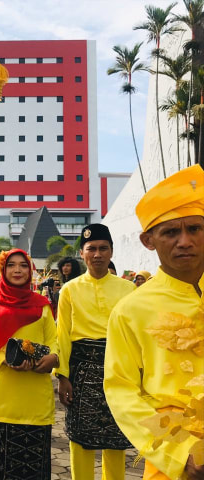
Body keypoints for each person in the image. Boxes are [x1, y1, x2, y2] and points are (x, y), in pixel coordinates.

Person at [104, 164, 204, 480]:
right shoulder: (131, 309)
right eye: (171, 232)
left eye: (195, 229)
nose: (185, 241)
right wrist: (178, 452)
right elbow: (121, 392)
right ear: (148, 241)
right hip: (177, 455)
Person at [54, 224, 136, 480]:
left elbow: (134, 337)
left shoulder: (128, 289)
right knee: (80, 438)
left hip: (118, 368)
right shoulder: (70, 289)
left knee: (116, 436)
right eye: (92, 249)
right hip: (81, 368)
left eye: (103, 248)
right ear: (82, 252)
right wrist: (62, 375)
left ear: (111, 252)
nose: (98, 254)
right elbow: (63, 334)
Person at [0, 249, 59, 480]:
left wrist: (53, 358)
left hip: (36, 392)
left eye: (23, 265)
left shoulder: (42, 304)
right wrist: (4, 359)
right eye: (11, 265)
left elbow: (53, 339)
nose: (17, 270)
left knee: (36, 463)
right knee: (1, 465)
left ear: (30, 270)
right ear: (2, 270)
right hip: (5, 391)